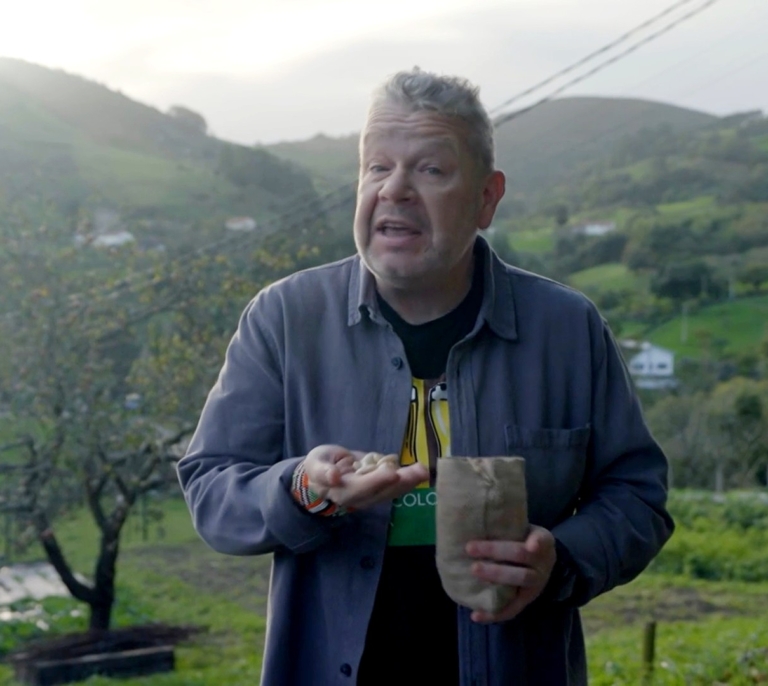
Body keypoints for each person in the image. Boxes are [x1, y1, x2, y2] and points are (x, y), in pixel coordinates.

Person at [177, 68, 674, 686]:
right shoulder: (285, 317)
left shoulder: (566, 329)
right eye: (377, 168)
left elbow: (636, 496)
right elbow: (211, 485)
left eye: (431, 170)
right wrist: (302, 487)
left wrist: (561, 558)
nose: (395, 190)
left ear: (487, 198)